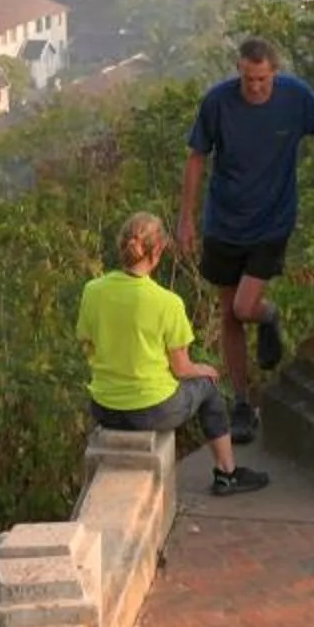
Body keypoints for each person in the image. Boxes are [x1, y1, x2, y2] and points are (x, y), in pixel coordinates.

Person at [179, 35, 314, 443]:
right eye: (247, 79)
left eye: (261, 79)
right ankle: (241, 402)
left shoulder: (294, 97)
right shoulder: (218, 103)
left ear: (274, 72)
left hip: (271, 221)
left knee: (244, 306)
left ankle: (268, 315)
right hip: (224, 222)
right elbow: (197, 156)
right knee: (228, 315)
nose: (254, 87)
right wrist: (186, 216)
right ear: (239, 71)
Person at [78, 212, 269, 497]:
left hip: (105, 408)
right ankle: (227, 473)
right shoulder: (167, 303)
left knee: (198, 382)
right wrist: (204, 370)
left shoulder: (92, 291)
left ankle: (227, 473)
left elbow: (88, 345)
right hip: (151, 410)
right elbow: (181, 369)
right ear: (158, 250)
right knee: (208, 387)